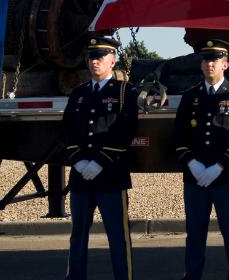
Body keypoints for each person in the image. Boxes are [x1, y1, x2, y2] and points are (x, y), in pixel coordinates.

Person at [172, 39, 229, 280]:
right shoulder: (190, 96)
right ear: (201, 65)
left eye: (215, 60)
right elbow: (179, 135)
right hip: (195, 177)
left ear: (225, 64)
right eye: (206, 60)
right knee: (195, 232)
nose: (210, 64)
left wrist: (219, 166)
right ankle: (192, 275)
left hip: (226, 176)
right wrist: (192, 163)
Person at [61, 35, 139, 280]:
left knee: (117, 235)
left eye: (100, 57)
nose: (94, 61)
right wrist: (78, 160)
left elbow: (126, 130)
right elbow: (67, 130)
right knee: (78, 235)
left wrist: (100, 161)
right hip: (81, 176)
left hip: (111, 175)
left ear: (112, 61)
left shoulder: (125, 92)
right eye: (91, 57)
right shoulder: (78, 93)